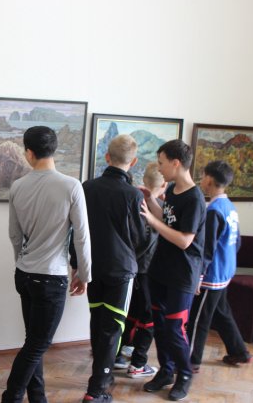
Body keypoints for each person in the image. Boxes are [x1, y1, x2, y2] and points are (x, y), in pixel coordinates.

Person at [2, 126, 91, 403]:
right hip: (52, 276)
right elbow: (82, 236)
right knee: (37, 345)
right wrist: (84, 274)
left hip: (25, 274)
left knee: (33, 341)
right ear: (54, 149)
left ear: (29, 152)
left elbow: (14, 235)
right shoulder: (71, 186)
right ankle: (11, 397)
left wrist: (22, 261)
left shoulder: (18, 186)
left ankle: (38, 397)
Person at [81, 134, 147, 403]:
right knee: (113, 327)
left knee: (97, 322)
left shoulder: (87, 187)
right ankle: (97, 389)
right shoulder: (133, 194)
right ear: (134, 162)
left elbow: (77, 231)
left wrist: (77, 264)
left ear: (107, 157)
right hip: (121, 271)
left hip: (92, 267)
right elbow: (141, 238)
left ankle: (101, 378)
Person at [140, 139, 206, 402]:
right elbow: (167, 219)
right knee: (159, 325)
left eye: (162, 163)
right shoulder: (172, 190)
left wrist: (152, 220)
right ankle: (166, 371)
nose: (159, 168)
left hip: (182, 275)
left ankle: (184, 375)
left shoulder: (195, 198)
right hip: (161, 270)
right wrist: (150, 201)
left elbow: (184, 240)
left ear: (176, 163)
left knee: (175, 328)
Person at [187, 161, 252, 372]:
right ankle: (239, 352)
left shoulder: (214, 210)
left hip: (212, 275)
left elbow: (207, 249)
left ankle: (191, 361)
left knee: (199, 318)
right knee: (221, 312)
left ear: (209, 179)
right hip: (226, 270)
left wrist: (199, 277)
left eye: (203, 175)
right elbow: (238, 241)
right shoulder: (229, 206)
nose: (201, 179)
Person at [115, 162, 167, 379]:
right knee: (148, 316)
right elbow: (150, 241)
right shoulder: (160, 210)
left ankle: (119, 355)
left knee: (130, 312)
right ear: (164, 185)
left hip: (128, 267)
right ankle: (138, 363)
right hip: (148, 270)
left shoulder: (131, 201)